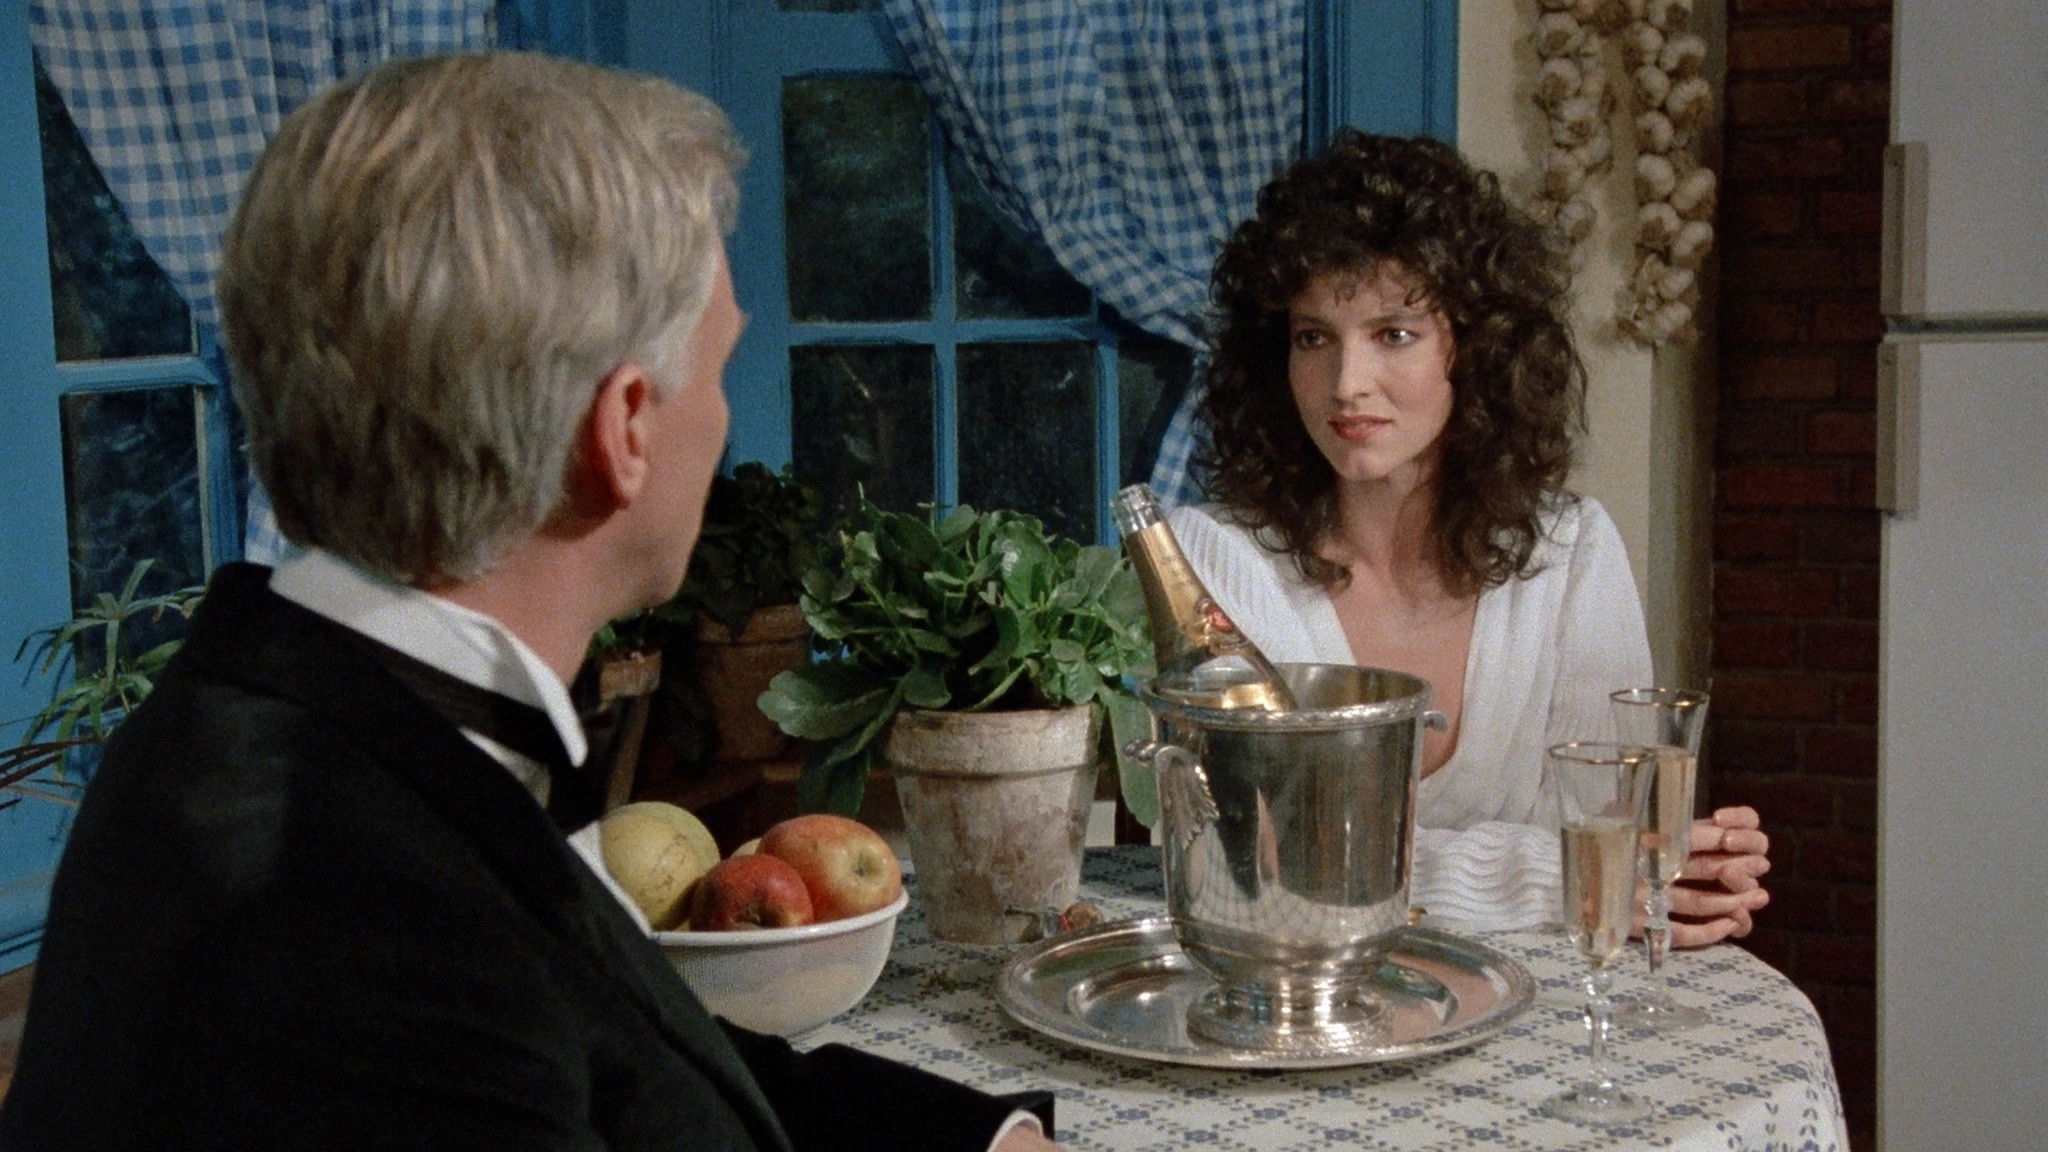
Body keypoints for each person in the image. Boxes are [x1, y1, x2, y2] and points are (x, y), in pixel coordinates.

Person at [0, 53, 1062, 1152]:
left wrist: (979, 1144)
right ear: (624, 429)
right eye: (716, 371)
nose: (720, 421)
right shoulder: (341, 908)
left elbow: (630, 1061)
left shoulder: (299, 722)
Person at [1169, 129, 1770, 946]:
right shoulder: (1216, 558)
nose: (1346, 383)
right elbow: (1266, 862)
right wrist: (1558, 878)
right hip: (1302, 996)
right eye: (1313, 338)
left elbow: (1614, 835)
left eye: (1394, 334)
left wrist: (1693, 868)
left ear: (1477, 347)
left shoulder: (1570, 551)